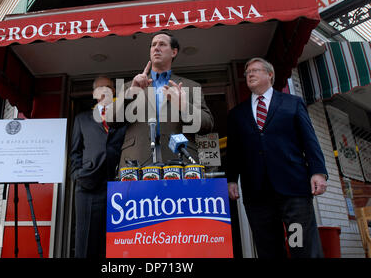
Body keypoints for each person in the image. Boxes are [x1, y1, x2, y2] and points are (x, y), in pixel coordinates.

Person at [226, 57, 328, 258]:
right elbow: (234, 150)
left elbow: (310, 141)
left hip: (293, 189)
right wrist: (231, 179)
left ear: (269, 75)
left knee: (300, 245)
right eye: (247, 73)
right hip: (257, 193)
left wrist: (318, 172)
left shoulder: (292, 103)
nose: (250, 75)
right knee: (268, 248)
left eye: (255, 70)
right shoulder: (237, 113)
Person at [108, 32, 213, 168]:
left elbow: (207, 125)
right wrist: (131, 93)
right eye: (153, 45)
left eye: (162, 44)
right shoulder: (130, 86)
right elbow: (111, 120)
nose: (156, 48)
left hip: (181, 162)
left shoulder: (191, 86)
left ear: (174, 52)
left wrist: (184, 107)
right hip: (135, 161)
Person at [70, 76, 126, 258]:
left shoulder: (125, 117)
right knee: (86, 240)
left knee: (117, 237)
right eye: (100, 88)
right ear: (94, 94)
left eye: (109, 87)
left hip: (118, 184)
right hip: (88, 186)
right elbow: (75, 152)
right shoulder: (82, 119)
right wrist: (77, 174)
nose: (105, 90)